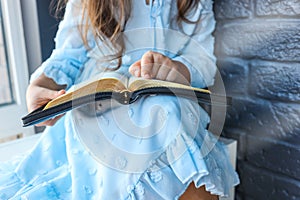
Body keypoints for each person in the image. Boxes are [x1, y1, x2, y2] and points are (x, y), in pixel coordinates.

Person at [0, 0, 239, 199]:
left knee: (166, 112)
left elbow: (203, 60)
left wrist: (178, 69)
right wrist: (40, 85)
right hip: (99, 106)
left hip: (165, 102)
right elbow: (67, 56)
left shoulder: (193, 2)